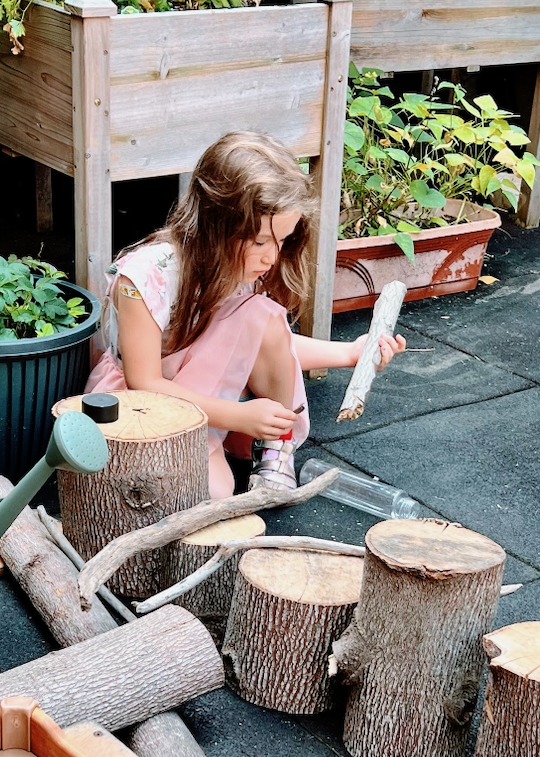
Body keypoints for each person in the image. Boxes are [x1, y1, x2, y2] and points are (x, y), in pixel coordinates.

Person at [86, 132, 404, 498]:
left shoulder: (239, 265)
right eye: (260, 242)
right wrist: (236, 416)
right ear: (218, 223)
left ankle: (274, 448)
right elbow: (145, 383)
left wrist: (350, 354)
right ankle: (217, 439)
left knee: (264, 315)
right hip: (147, 404)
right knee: (216, 493)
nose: (271, 258)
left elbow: (260, 340)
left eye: (281, 241)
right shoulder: (145, 277)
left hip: (208, 388)